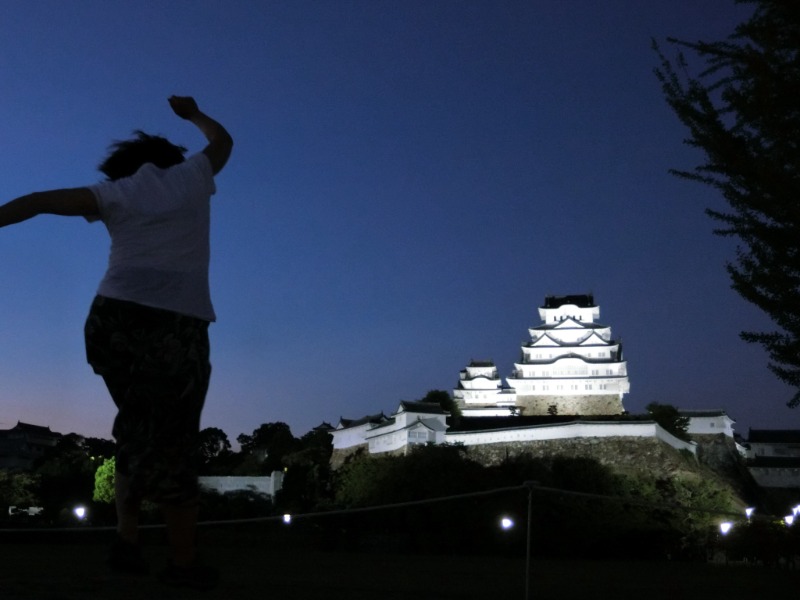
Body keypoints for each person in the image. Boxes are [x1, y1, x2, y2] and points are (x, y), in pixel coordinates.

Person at [0, 96, 233, 590]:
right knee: (172, 440)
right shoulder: (193, 176)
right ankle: (183, 562)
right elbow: (223, 142)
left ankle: (128, 543)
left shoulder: (115, 192)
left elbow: (40, 200)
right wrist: (191, 113)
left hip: (112, 320)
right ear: (168, 157)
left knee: (135, 430)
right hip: (175, 326)